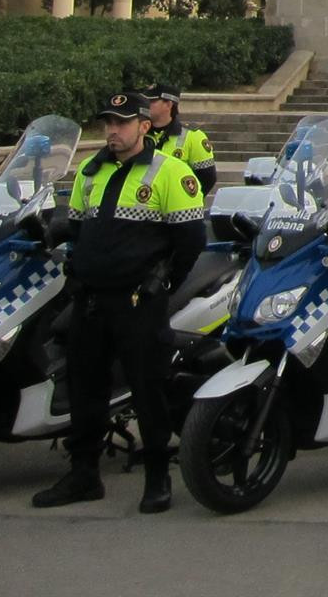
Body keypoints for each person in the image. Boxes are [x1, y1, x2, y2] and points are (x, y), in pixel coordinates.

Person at [32, 91, 206, 513]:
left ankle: (157, 477)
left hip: (137, 302)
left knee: (148, 390)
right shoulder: (91, 173)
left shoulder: (171, 173)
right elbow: (75, 231)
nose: (112, 130)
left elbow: (190, 245)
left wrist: (158, 286)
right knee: (85, 389)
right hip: (91, 301)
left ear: (144, 127)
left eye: (122, 122)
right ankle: (84, 475)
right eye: (108, 122)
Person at [142, 83, 216, 199]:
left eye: (152, 102)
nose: (146, 105)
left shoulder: (193, 136)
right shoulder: (138, 133)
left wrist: (187, 201)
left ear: (168, 104)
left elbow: (208, 178)